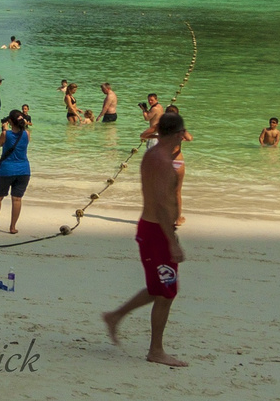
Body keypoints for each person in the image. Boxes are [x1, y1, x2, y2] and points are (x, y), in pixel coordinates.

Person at [103, 112, 189, 367]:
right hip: (156, 232)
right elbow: (162, 205)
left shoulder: (153, 155)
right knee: (166, 291)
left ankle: (115, 316)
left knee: (160, 288)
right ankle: (156, 350)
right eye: (181, 133)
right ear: (175, 134)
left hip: (151, 228)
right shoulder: (162, 161)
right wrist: (172, 240)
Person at [0, 109, 30, 234]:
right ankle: (13, 227)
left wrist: (4, 129)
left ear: (10, 121)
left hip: (6, 170)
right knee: (17, 199)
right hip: (24, 170)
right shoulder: (27, 134)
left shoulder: (6, 134)